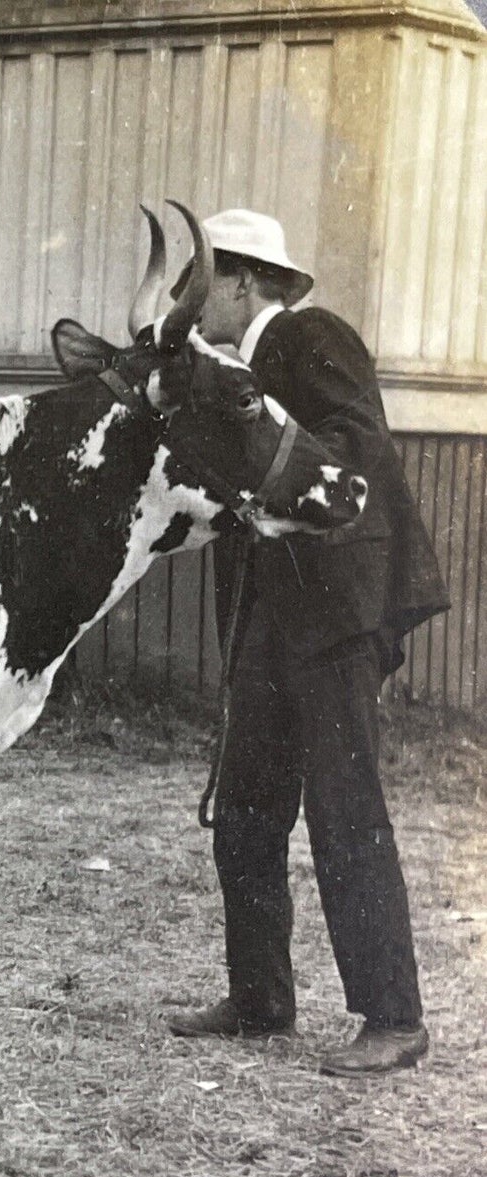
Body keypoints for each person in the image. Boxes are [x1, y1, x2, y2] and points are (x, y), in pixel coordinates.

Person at [163, 209, 449, 1075]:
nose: (188, 297)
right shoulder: (233, 369)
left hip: (332, 613)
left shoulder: (308, 334)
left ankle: (393, 1017)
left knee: (342, 809)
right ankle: (260, 998)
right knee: (247, 806)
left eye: (199, 279)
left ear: (245, 282)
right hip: (271, 618)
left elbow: (356, 452)